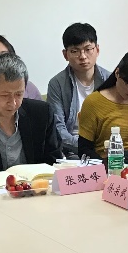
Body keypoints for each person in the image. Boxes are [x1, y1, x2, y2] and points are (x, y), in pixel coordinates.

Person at [46, 23, 111, 160]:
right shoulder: (56, 84)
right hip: (72, 152)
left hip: (106, 149)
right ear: (65, 54)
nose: (83, 56)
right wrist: (86, 148)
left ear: (97, 50)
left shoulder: (110, 80)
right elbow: (58, 128)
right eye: (75, 51)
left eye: (88, 49)